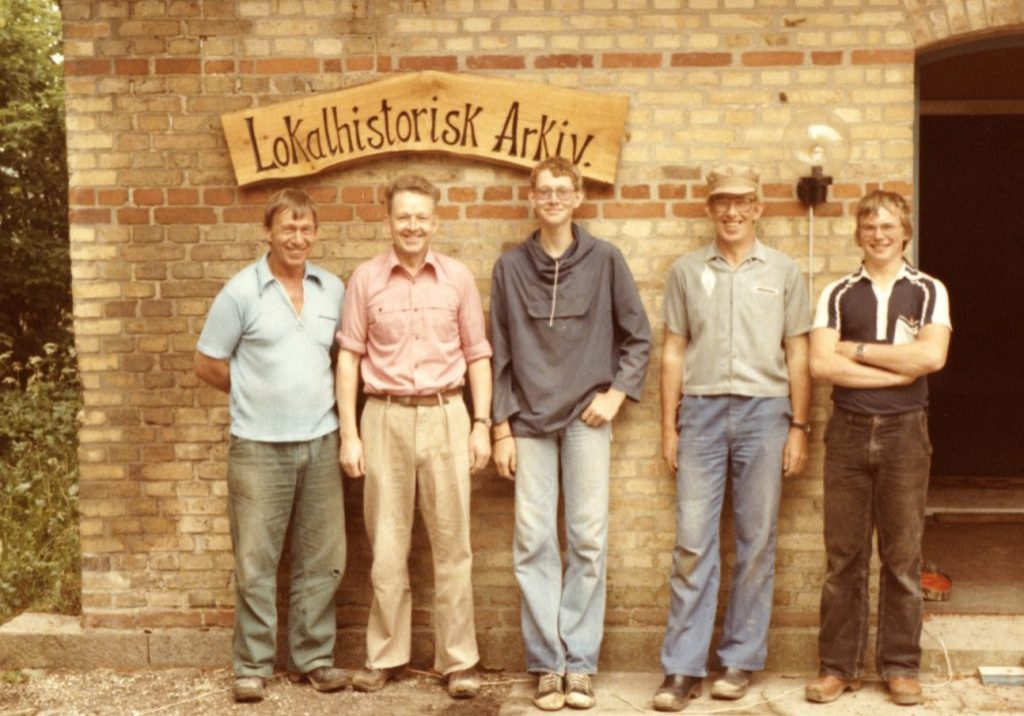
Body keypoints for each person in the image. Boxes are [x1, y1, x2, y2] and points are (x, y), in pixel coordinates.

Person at [490, 156, 652, 711]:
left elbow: (638, 338)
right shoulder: (510, 268)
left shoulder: (606, 260)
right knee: (533, 541)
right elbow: (499, 354)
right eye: (544, 191)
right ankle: (545, 664)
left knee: (586, 539)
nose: (553, 198)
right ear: (532, 199)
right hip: (530, 422)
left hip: (586, 419)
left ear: (579, 197)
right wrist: (500, 429)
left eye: (563, 190)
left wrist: (615, 395)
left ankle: (579, 664)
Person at [654, 166, 812, 712]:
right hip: (698, 414)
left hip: (765, 415)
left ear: (758, 207)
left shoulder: (784, 271)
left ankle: (740, 659)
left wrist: (798, 426)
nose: (732, 212)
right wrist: (667, 425)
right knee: (693, 543)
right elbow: (673, 350)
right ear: (709, 208)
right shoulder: (686, 270)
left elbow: (798, 352)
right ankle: (681, 668)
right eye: (722, 202)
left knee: (756, 541)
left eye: (743, 201)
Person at [336, 174, 492, 700]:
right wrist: (350, 433)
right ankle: (385, 656)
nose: (412, 226)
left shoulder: (457, 279)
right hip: (384, 416)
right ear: (388, 221)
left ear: (435, 221)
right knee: (386, 545)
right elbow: (349, 359)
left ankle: (458, 661)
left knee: (452, 546)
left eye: (421, 216)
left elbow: (478, 356)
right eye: (403, 216)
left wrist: (481, 423)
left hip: (448, 413)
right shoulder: (366, 279)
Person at [194, 188, 349, 703]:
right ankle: (253, 665)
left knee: (321, 556)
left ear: (316, 233)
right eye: (288, 228)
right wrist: (255, 395)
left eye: (306, 229)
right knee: (257, 560)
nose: (298, 238)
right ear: (268, 232)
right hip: (258, 446)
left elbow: (340, 360)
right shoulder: (241, 291)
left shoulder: (333, 289)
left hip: (322, 440)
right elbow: (208, 362)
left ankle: (314, 658)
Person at [804, 190, 950, 706]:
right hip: (847, 431)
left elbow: (931, 357)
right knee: (844, 556)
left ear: (904, 232)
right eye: (870, 227)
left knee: (902, 557)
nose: (879, 235)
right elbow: (822, 365)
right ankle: (838, 667)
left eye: (888, 226)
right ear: (858, 234)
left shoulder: (929, 290)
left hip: (906, 432)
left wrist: (859, 352)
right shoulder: (837, 293)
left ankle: (901, 667)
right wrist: (899, 366)